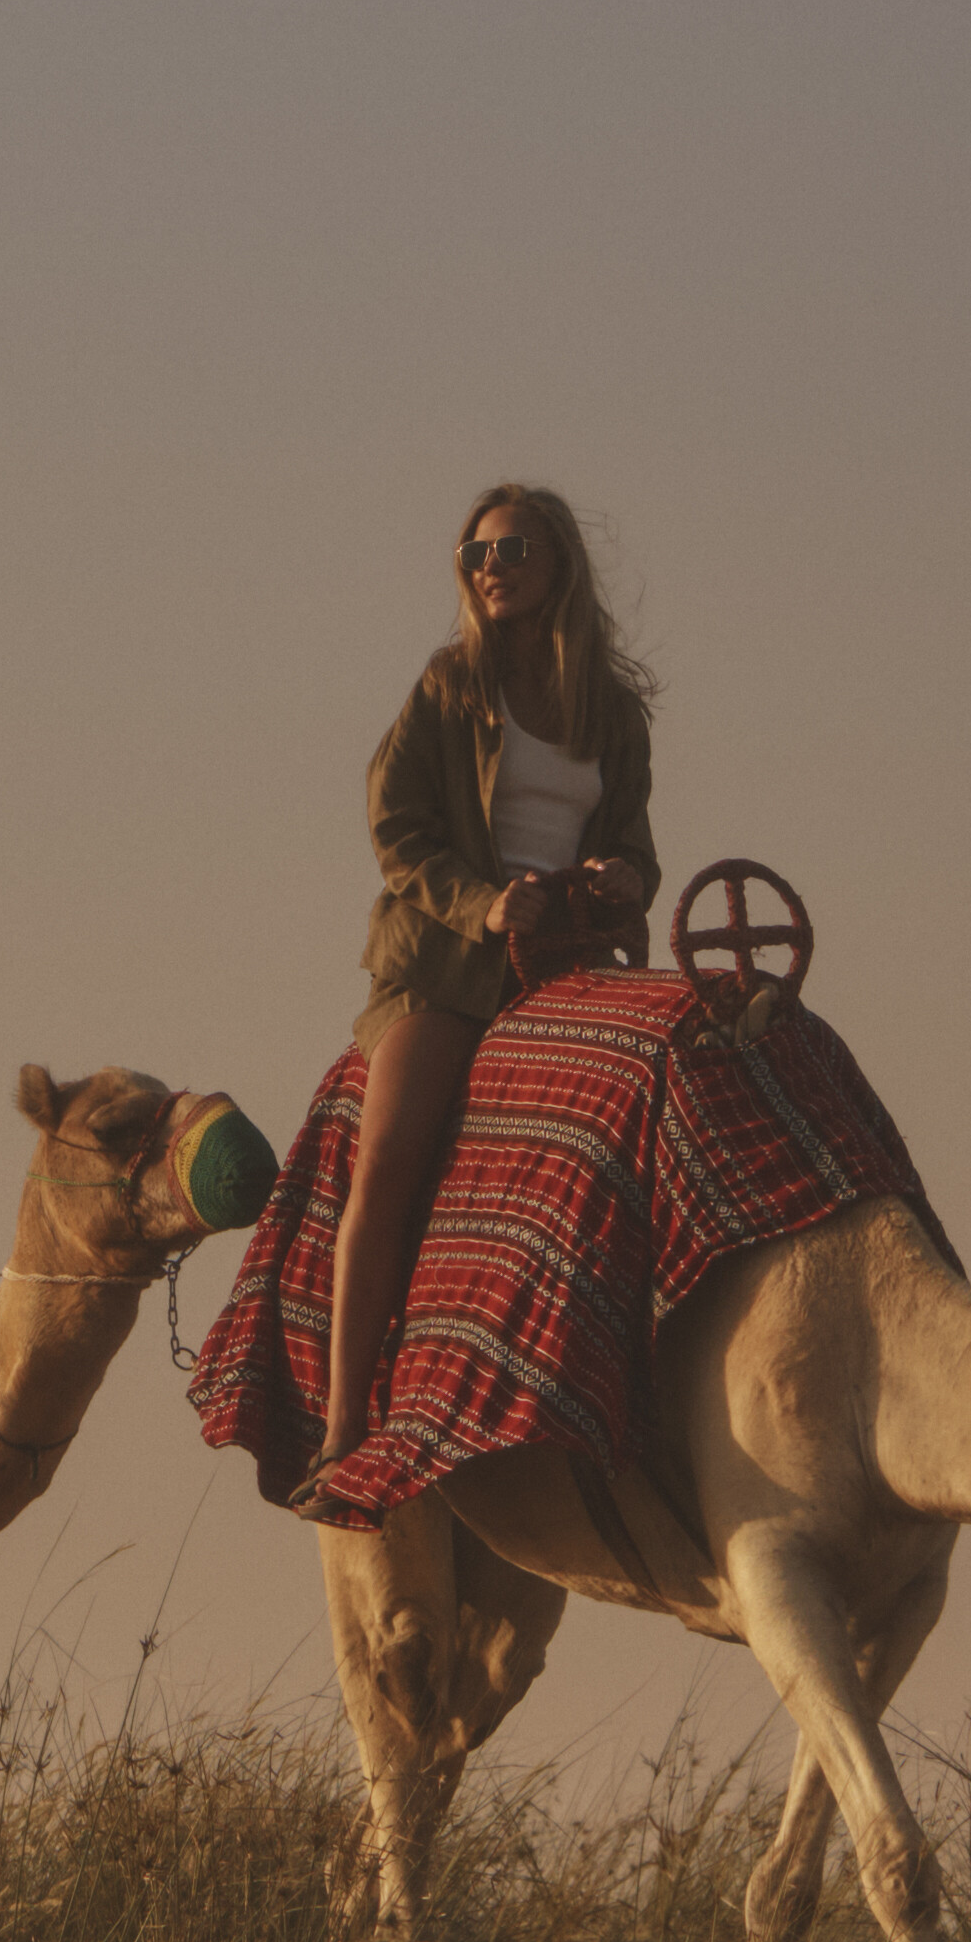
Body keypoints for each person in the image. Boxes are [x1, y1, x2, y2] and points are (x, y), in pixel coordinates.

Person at [320, 485, 659, 1468]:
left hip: (563, 963)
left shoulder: (614, 709)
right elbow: (396, 827)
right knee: (387, 1162)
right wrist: (482, 903)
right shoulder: (450, 686)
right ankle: (345, 1422)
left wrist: (624, 877)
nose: (493, 567)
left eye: (512, 547)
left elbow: (632, 834)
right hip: (447, 962)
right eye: (475, 554)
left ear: (558, 561)